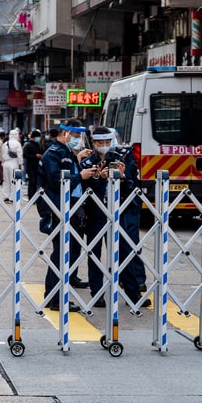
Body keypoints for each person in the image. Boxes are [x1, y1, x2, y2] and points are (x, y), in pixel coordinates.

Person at [79, 126, 147, 306]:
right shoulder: (87, 163)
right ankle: (97, 294)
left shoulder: (121, 159)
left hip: (118, 213)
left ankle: (133, 295)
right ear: (93, 143)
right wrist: (99, 178)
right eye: (100, 142)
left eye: (107, 142)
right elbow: (85, 192)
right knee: (95, 255)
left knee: (125, 253)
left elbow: (131, 187)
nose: (104, 146)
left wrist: (122, 177)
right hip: (96, 215)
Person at [40, 119, 100, 311]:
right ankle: (56, 299)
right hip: (60, 209)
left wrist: (79, 163)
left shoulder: (66, 152)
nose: (77, 139)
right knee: (62, 254)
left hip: (72, 207)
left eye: (80, 136)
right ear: (65, 133)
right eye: (75, 136)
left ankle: (53, 296)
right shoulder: (55, 153)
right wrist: (80, 176)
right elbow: (57, 179)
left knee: (64, 254)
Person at [2, 129, 23, 202]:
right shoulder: (17, 144)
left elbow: (3, 154)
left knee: (6, 180)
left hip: (6, 163)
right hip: (14, 163)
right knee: (13, 180)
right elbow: (20, 155)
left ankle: (6, 195)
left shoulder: (5, 143)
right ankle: (12, 197)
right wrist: (21, 164)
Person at [22, 129, 43, 197]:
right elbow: (25, 155)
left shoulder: (38, 145)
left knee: (37, 182)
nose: (39, 138)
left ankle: (37, 196)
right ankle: (31, 197)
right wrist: (35, 156)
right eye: (38, 137)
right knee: (32, 182)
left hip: (38, 166)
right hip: (30, 166)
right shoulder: (28, 145)